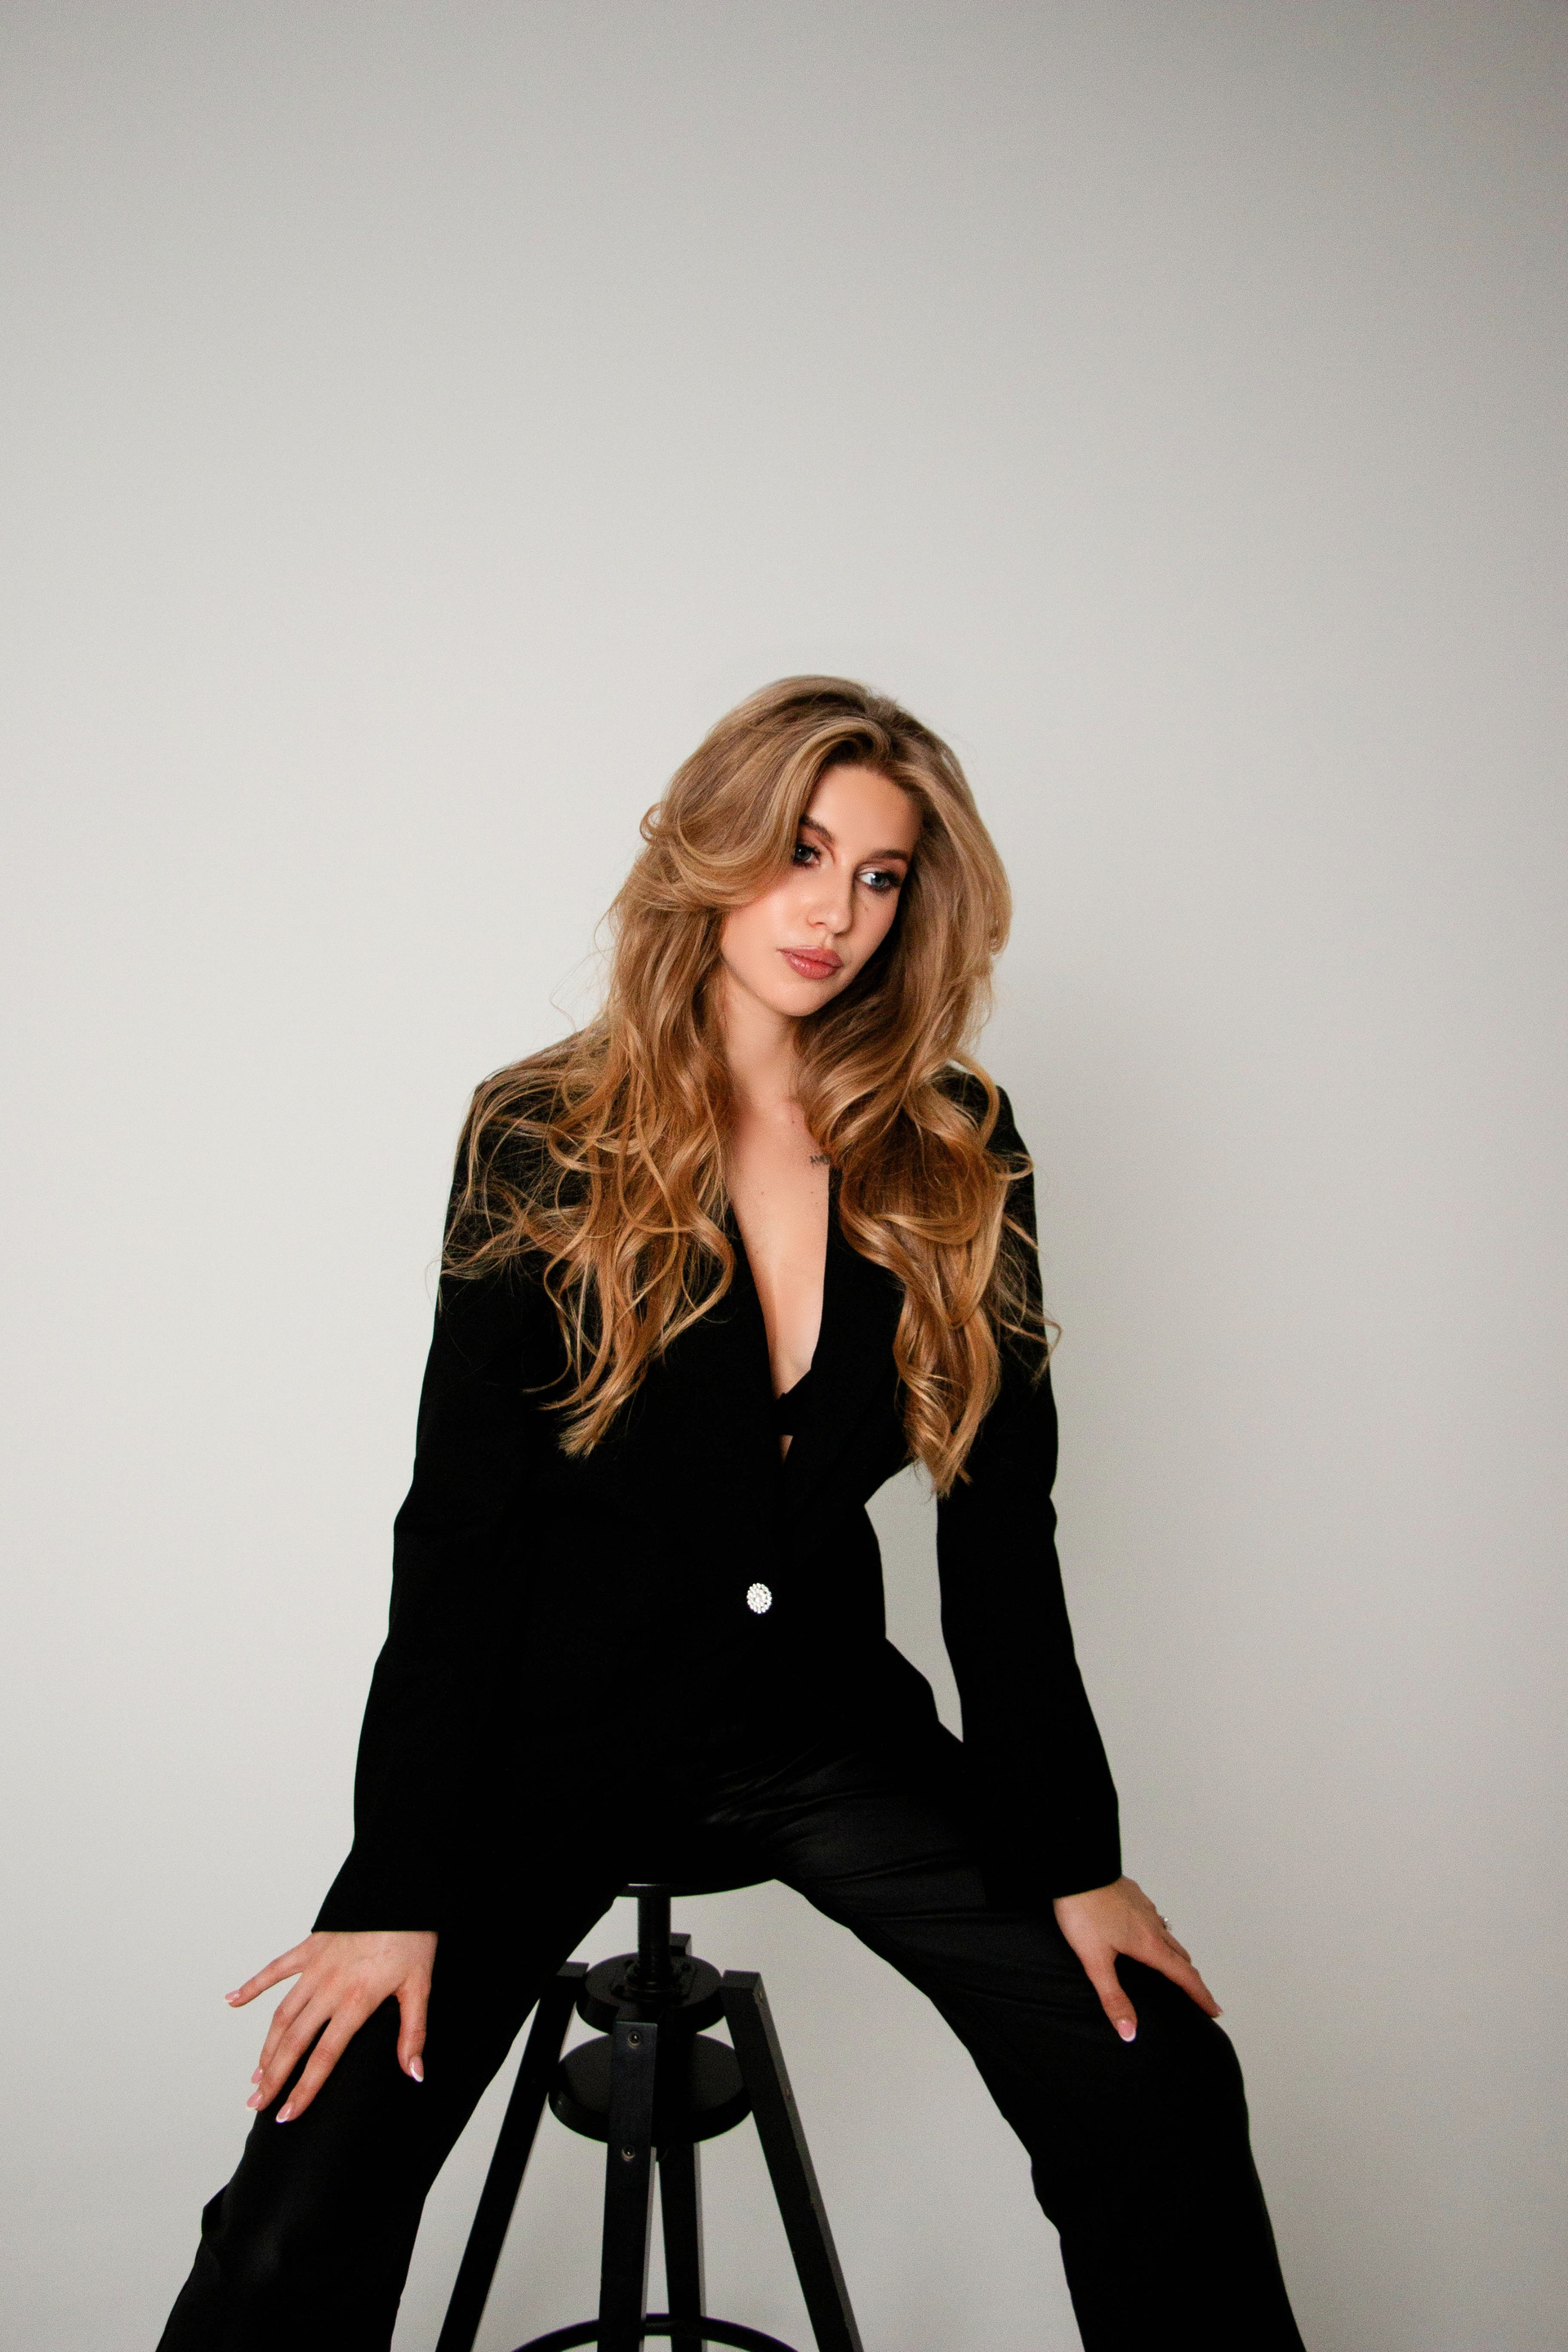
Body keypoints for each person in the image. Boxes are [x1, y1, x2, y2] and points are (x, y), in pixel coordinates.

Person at [158, 678, 1304, 2350]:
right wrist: (391, 1884)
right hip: (548, 1746)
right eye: (801, 852)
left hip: (821, 1735)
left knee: (1159, 2072)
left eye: (881, 876)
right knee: (296, 2214)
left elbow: (1001, 1530)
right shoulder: (544, 1133)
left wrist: (1077, 1863)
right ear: (713, 850)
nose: (835, 912)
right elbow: (459, 1536)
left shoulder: (956, 1147)